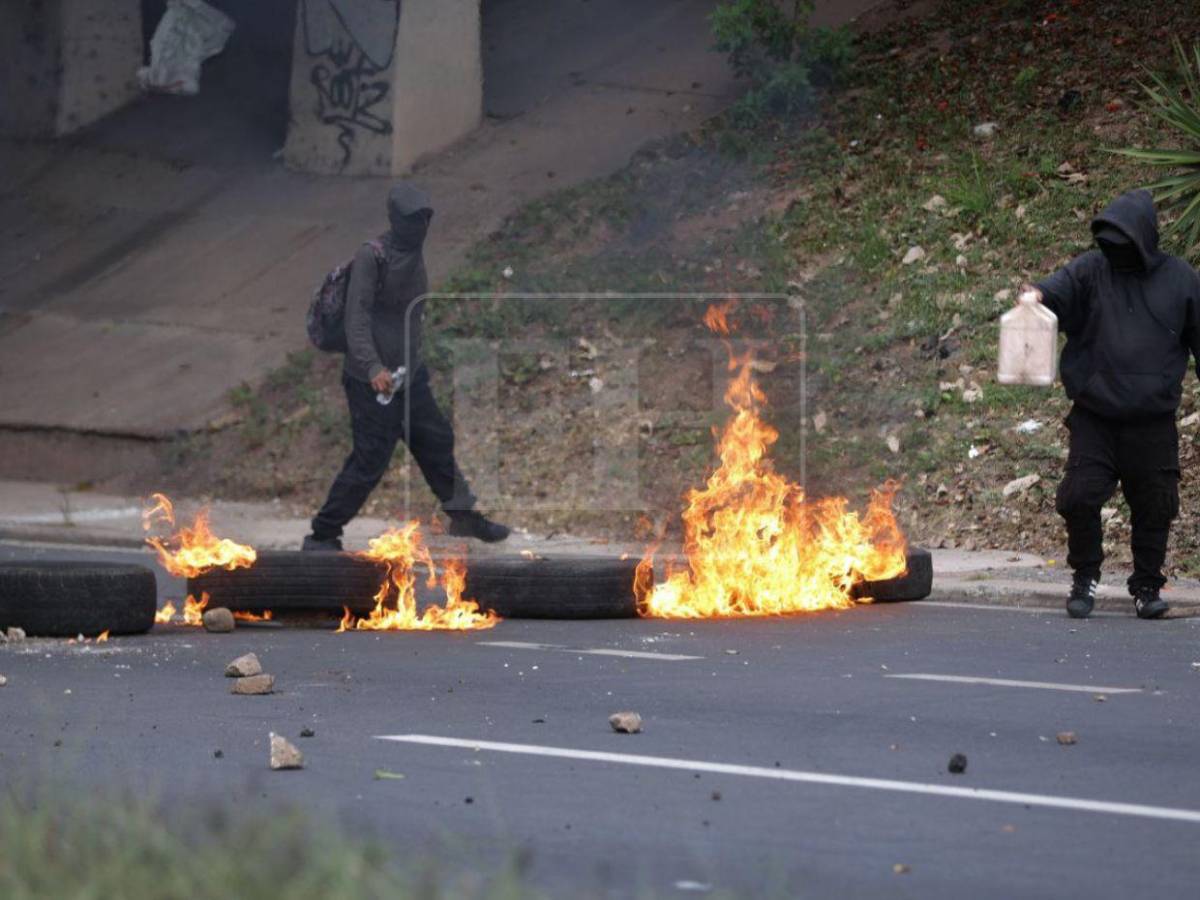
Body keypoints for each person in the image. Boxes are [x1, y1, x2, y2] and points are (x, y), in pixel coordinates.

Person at [303, 183, 509, 550]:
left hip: (410, 377)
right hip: (373, 383)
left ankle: (463, 516)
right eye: (414, 219)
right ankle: (323, 533)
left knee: (435, 440)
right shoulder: (372, 256)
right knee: (369, 461)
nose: (422, 226)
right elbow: (357, 319)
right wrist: (372, 369)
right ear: (396, 220)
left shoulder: (414, 252)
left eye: (426, 219)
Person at [1025, 189, 1200, 619]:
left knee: (1155, 506)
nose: (1116, 248)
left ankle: (1146, 586)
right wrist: (1034, 297)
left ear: (1145, 236)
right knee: (1079, 498)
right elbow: (1054, 290)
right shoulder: (1091, 270)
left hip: (1152, 420)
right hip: (1095, 417)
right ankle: (1085, 578)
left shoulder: (1180, 278)